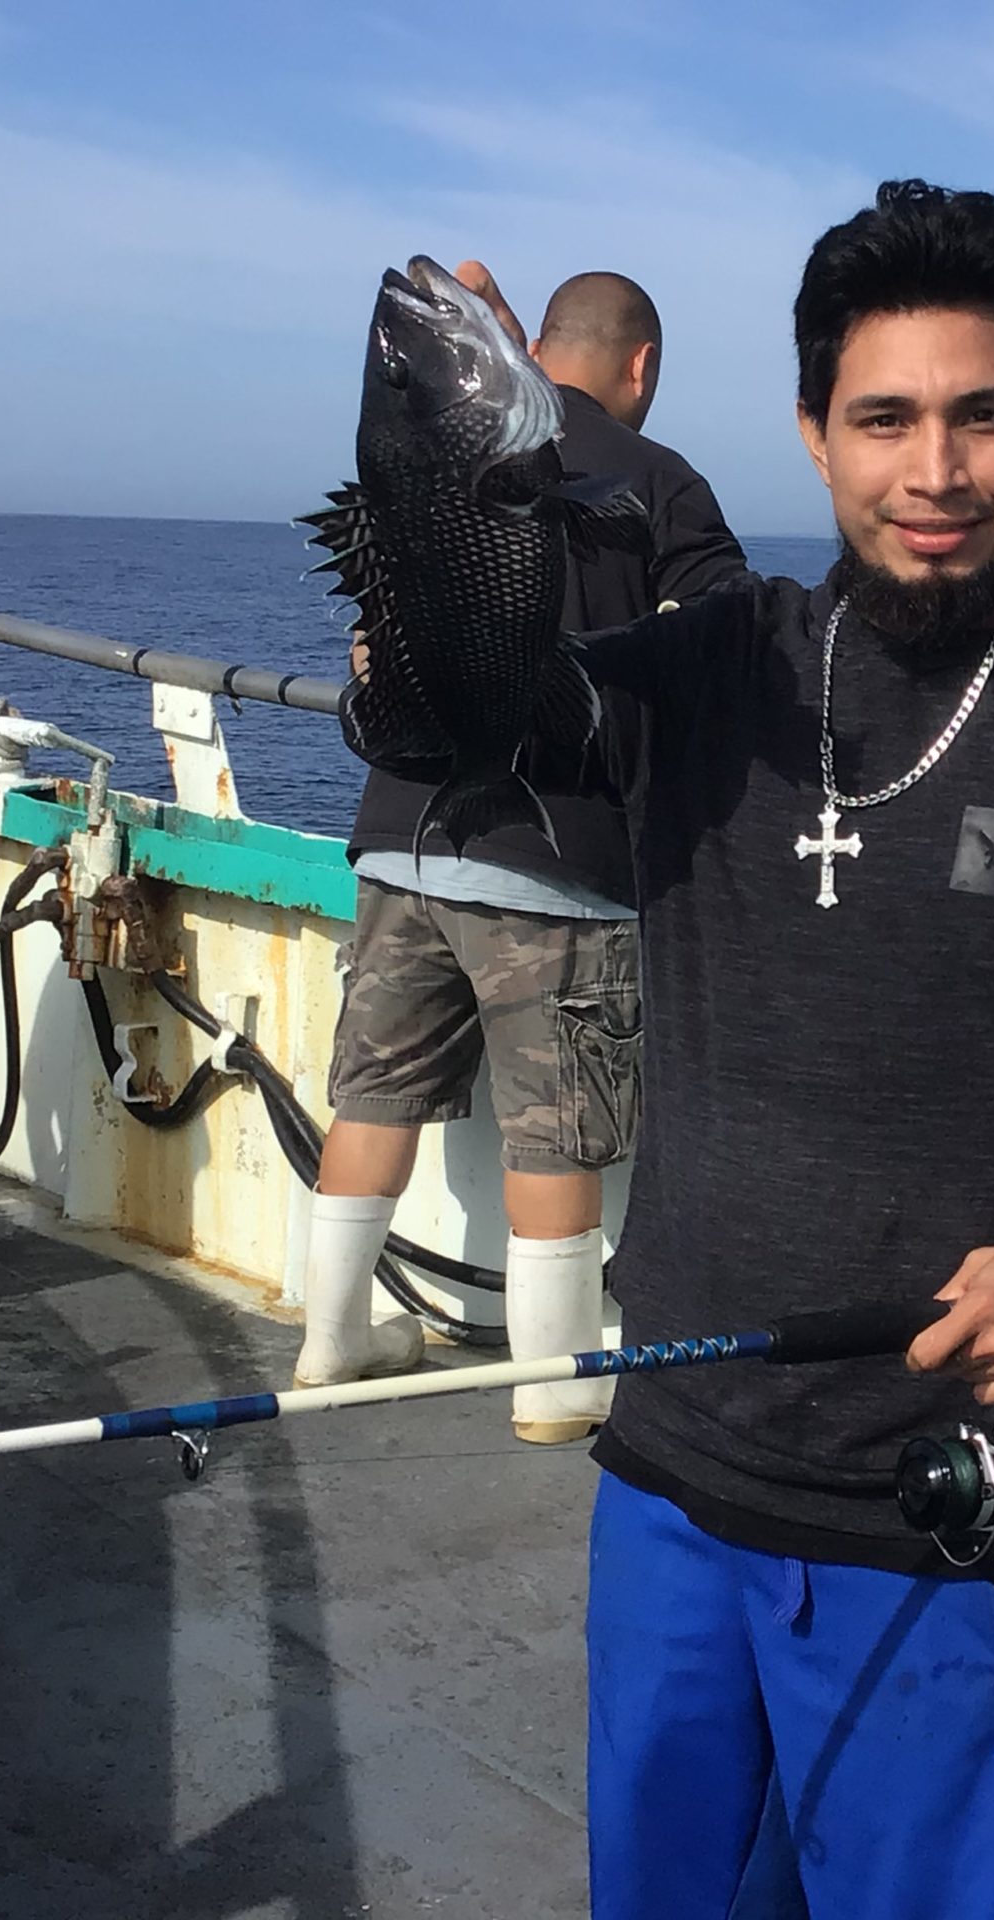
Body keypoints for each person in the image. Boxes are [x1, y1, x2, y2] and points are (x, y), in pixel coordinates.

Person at [453, 180, 994, 1919]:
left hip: (958, 1513)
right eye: (883, 420)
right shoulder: (717, 666)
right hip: (673, 1478)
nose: (934, 471)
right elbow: (463, 704)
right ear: (813, 435)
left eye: (980, 416)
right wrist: (466, 471)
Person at [299, 270, 748, 1449]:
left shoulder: (428, 452)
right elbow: (732, 644)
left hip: (403, 838)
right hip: (558, 852)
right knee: (557, 1127)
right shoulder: (657, 481)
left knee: (373, 1092)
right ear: (641, 365)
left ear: (536, 346)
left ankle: (330, 1341)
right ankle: (552, 1387)